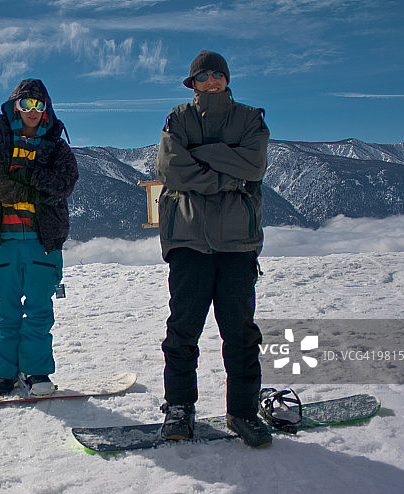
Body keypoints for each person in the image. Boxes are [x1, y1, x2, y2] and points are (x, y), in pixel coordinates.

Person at [156, 51, 272, 448]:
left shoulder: (250, 118)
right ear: (192, 83)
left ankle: (242, 411)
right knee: (182, 330)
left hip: (237, 243)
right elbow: (172, 170)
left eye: (217, 74)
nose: (211, 81)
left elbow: (254, 167)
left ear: (227, 79)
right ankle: (179, 408)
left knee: (240, 333)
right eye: (203, 76)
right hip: (188, 240)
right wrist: (228, 173)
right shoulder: (178, 119)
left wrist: (202, 155)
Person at [0, 79, 79, 397]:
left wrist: (24, 175)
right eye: (26, 104)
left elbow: (64, 185)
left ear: (46, 108)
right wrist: (37, 190)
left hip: (43, 241)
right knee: (5, 311)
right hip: (5, 241)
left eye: (38, 104)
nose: (32, 110)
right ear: (15, 108)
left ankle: (36, 372)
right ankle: (5, 374)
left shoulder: (58, 148)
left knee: (39, 310)